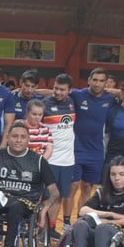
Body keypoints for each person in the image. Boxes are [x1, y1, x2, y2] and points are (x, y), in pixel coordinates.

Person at [68, 68, 117, 214]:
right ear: (89, 80)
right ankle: (65, 221)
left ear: (106, 83)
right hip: (76, 149)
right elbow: (56, 91)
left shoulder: (110, 99)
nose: (97, 84)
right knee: (73, 185)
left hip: (96, 151)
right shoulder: (77, 94)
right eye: (95, 80)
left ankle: (80, 220)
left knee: (88, 187)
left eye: (102, 81)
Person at [42, 74, 76, 238]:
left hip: (68, 161)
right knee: (47, 197)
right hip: (50, 160)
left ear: (70, 90)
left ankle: (51, 229)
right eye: (56, 88)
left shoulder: (73, 102)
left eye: (62, 90)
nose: (58, 92)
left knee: (60, 197)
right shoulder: (44, 104)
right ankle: (41, 228)